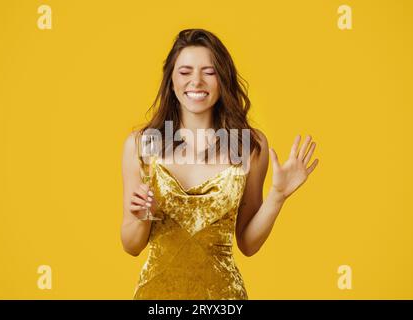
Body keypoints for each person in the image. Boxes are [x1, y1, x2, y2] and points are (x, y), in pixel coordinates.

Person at [121, 29, 319, 299]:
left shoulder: (248, 146)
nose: (196, 81)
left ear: (223, 78)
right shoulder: (142, 145)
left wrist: (278, 196)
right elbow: (131, 245)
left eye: (209, 72)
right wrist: (144, 215)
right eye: (185, 72)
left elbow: (247, 243)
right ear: (171, 80)